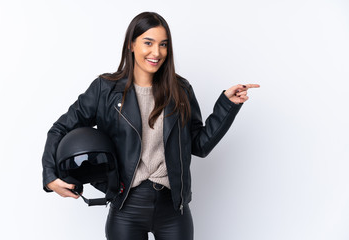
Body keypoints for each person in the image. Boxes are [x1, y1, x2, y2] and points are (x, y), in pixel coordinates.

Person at [42, 11, 260, 240]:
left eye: (163, 44)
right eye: (148, 42)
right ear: (131, 45)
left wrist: (226, 105)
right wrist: (50, 176)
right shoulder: (104, 90)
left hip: (173, 208)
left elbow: (200, 145)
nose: (156, 52)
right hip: (126, 207)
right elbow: (60, 129)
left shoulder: (181, 90)